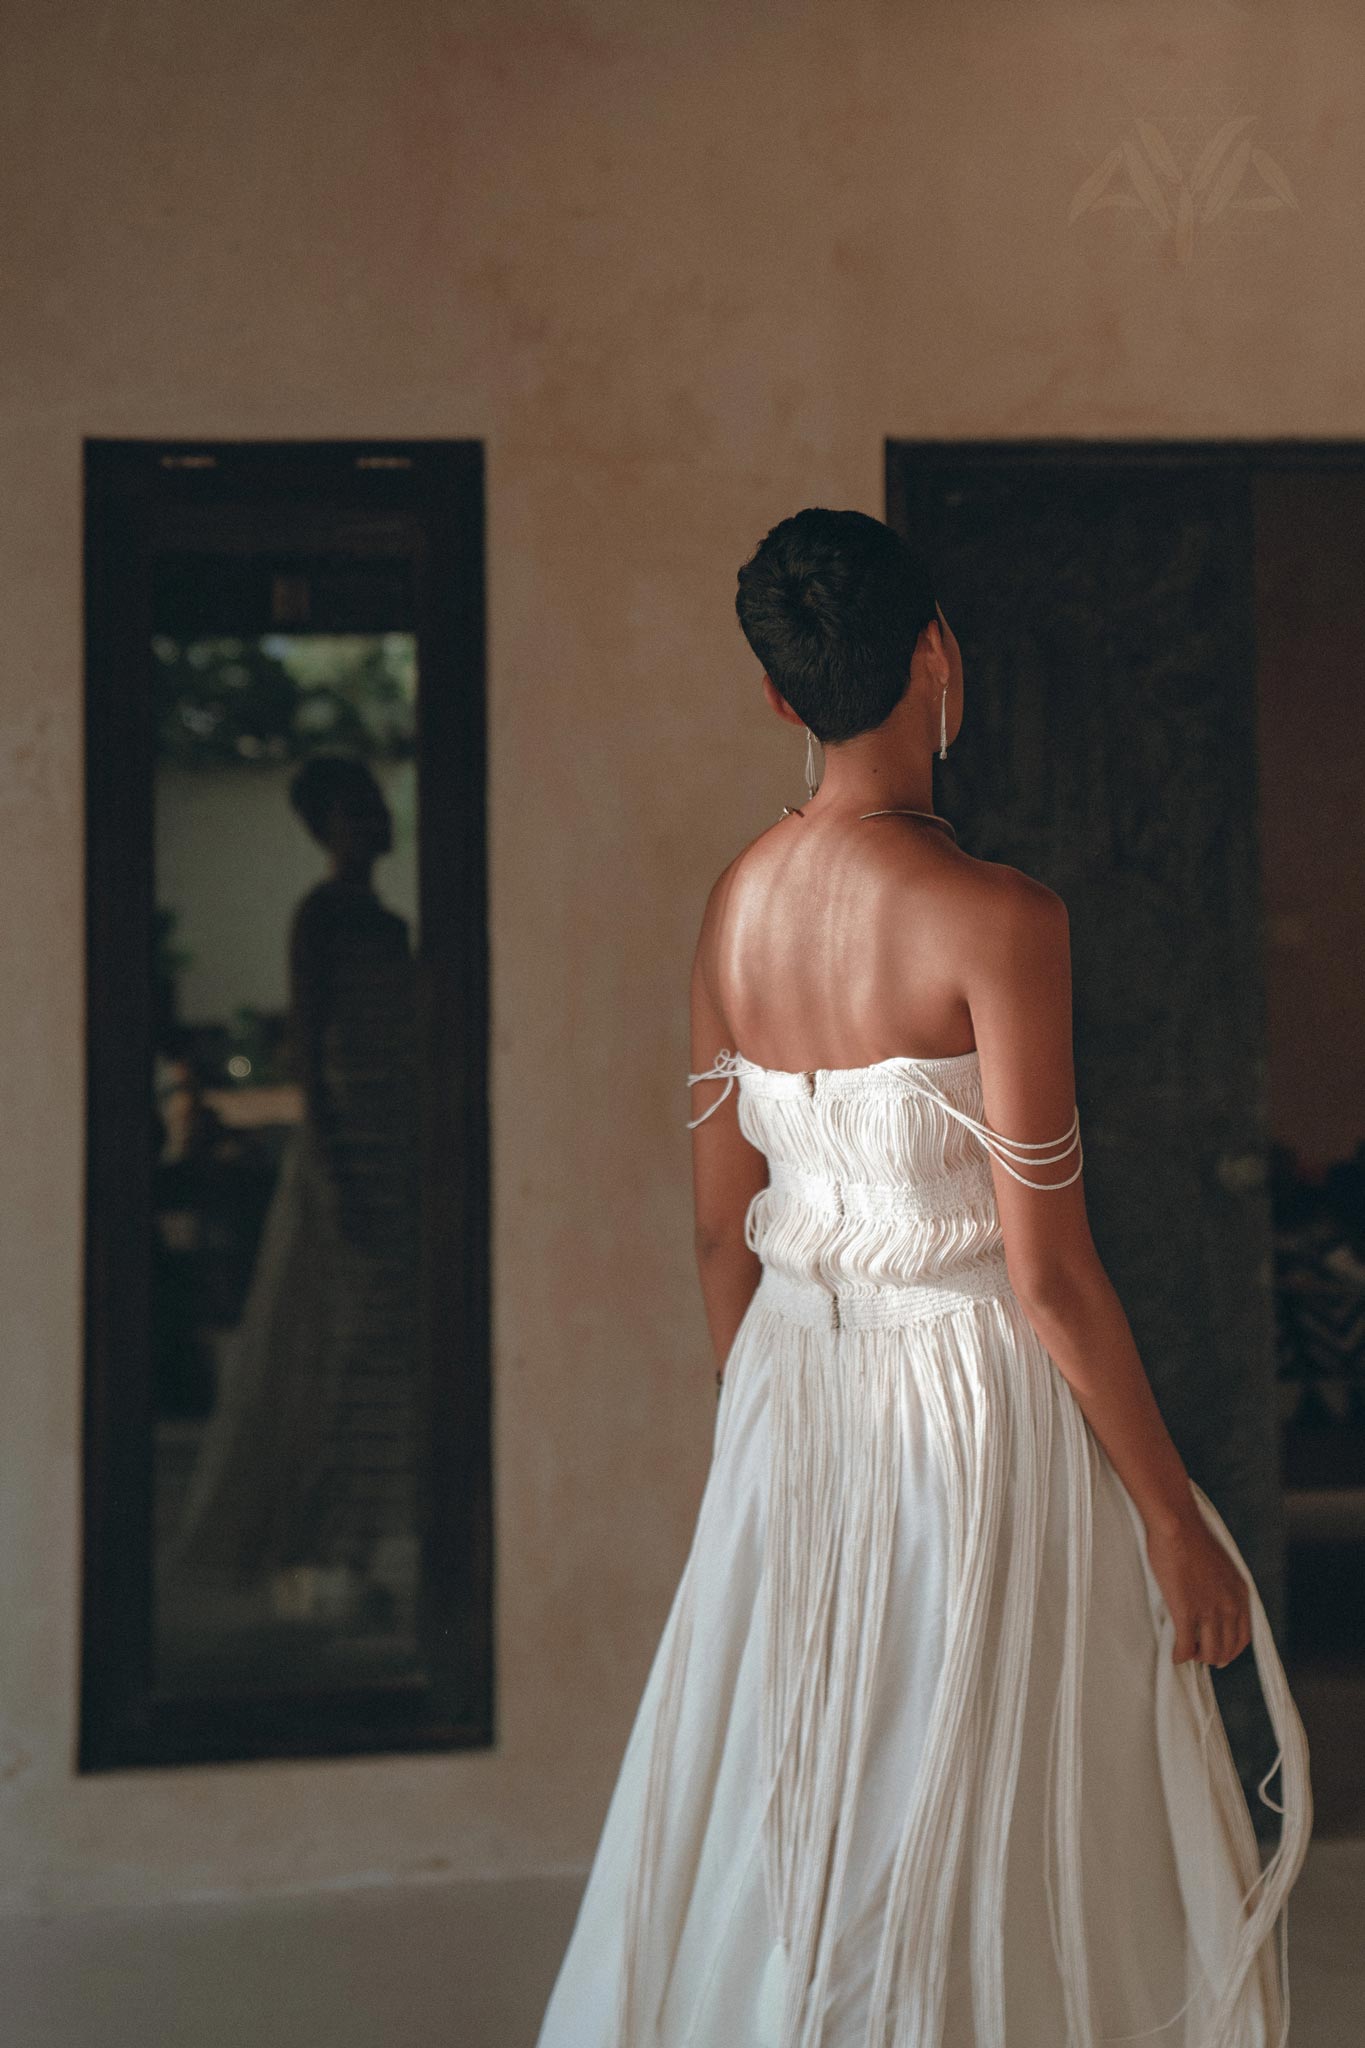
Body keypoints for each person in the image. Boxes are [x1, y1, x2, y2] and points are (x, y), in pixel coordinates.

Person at [535, 508, 1310, 2048]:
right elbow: (1052, 1272)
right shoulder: (1001, 918)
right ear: (938, 655)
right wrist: (1175, 1520)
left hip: (786, 1385)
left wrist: (770, 1424)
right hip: (969, 1405)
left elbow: (717, 1230)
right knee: (977, 1793)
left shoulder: (729, 910)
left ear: (777, 695)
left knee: (799, 1791)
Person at [158, 753, 420, 1628]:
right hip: (348, 1138)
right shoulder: (321, 918)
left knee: (386, 1344)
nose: (370, 825)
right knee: (339, 1333)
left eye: (372, 808)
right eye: (353, 813)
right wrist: (332, 1158)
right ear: (325, 829)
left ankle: (357, 1547)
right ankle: (321, 1549)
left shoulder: (388, 926)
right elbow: (310, 1040)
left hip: (395, 1131)